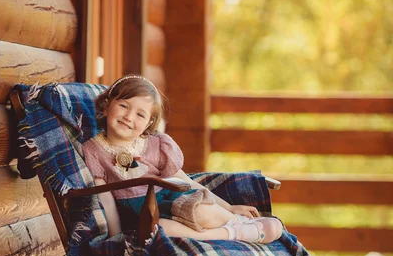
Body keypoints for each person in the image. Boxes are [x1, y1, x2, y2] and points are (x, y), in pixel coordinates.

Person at [82, 75, 283, 243]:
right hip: (142, 216)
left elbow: (185, 181)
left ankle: (237, 222)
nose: (129, 117)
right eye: (124, 106)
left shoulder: (156, 145)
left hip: (173, 201)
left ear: (148, 124)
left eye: (140, 115)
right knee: (159, 231)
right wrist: (115, 238)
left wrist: (228, 207)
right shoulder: (93, 150)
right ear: (107, 106)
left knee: (201, 212)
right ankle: (235, 234)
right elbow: (105, 199)